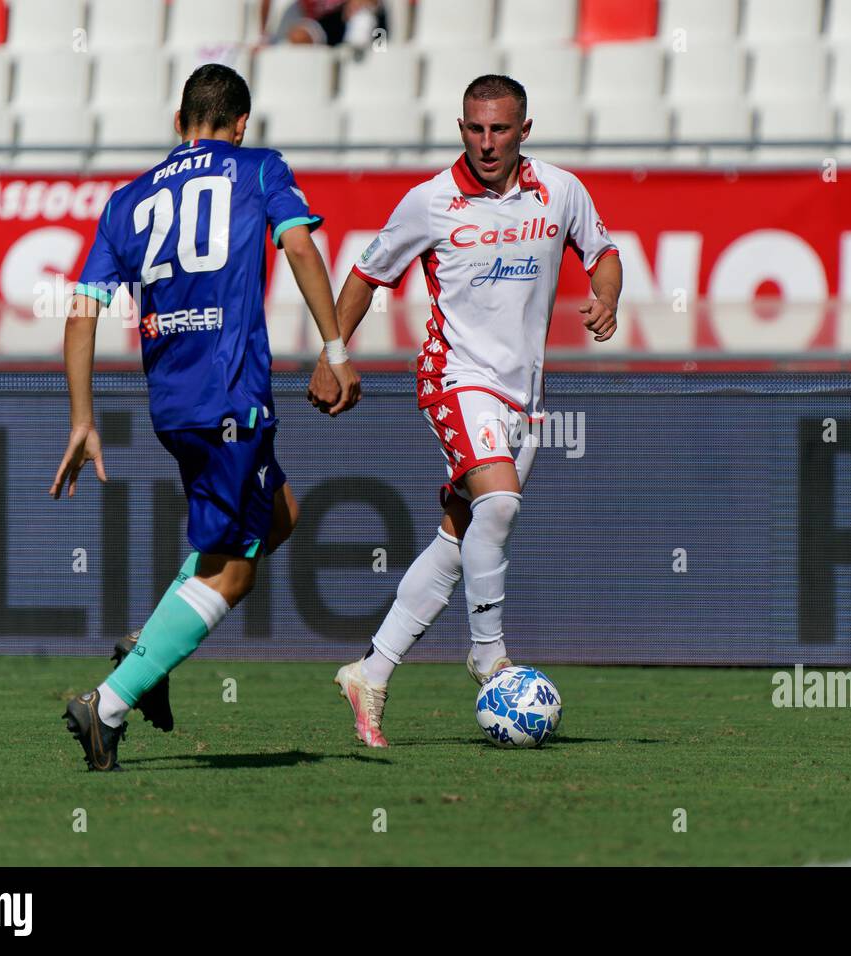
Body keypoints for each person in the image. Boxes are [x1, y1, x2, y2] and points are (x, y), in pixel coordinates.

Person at [51, 63, 359, 771]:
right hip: (231, 399)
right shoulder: (257, 168)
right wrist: (336, 347)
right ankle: (109, 703)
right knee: (237, 571)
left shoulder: (126, 200)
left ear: (177, 123)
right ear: (242, 122)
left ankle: (148, 652)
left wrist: (82, 418)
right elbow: (302, 245)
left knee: (278, 516)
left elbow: (82, 310)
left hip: (174, 404)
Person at [308, 74, 622, 748]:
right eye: (475, 129)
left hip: (525, 397)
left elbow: (604, 253)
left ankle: (372, 670)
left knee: (462, 538)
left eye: (500, 130)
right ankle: (488, 655)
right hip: (455, 377)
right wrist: (334, 352)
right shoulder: (430, 201)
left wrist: (607, 298)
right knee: (500, 505)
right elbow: (367, 275)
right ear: (461, 129)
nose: (486, 143)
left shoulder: (561, 190)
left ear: (523, 131)